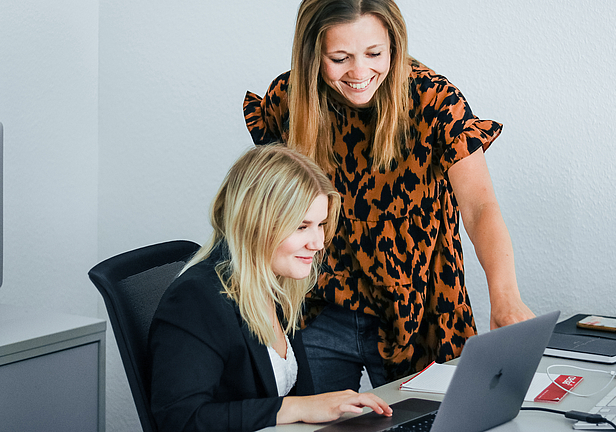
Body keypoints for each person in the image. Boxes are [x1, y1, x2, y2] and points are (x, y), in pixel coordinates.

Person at [243, 0, 536, 392]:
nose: (360, 72)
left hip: (421, 314)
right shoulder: (288, 101)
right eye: (340, 57)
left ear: (394, 46)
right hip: (319, 311)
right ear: (312, 53)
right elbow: (270, 213)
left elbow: (480, 207)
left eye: (374, 54)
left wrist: (505, 296)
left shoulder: (433, 100)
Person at [148, 145, 392, 432]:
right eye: (302, 227)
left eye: (321, 225)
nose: (318, 243)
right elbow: (180, 419)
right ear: (256, 224)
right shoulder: (195, 299)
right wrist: (297, 407)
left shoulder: (277, 284)